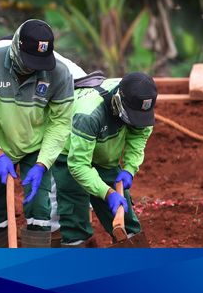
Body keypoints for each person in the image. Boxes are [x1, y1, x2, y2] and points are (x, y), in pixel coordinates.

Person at [0, 19, 74, 247]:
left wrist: (42, 164)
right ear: (16, 47)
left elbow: (60, 124)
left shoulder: (60, 73)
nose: (35, 68)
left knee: (39, 204)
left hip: (35, 145)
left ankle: (34, 264)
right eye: (30, 61)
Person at [51, 72, 156, 247]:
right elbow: (78, 165)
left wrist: (129, 169)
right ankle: (79, 262)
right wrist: (108, 193)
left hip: (104, 157)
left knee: (127, 222)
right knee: (75, 218)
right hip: (70, 152)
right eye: (132, 116)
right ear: (119, 101)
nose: (137, 122)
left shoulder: (140, 103)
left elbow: (139, 136)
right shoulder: (88, 113)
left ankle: (137, 261)